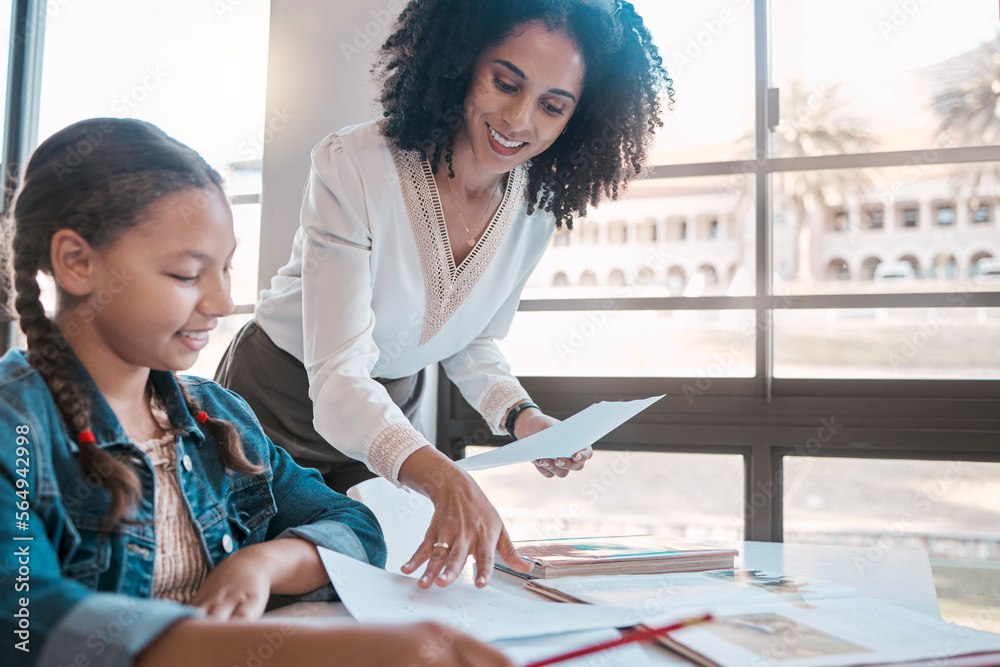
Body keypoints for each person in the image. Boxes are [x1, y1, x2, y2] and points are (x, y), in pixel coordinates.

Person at [0, 118, 513, 667]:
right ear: (76, 263)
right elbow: (28, 622)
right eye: (185, 274)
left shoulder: (217, 417)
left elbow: (356, 527)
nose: (222, 302)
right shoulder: (17, 428)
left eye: (225, 269)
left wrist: (263, 564)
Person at [216, 0, 672, 590]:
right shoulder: (355, 165)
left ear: (577, 119)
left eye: (552, 106)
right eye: (505, 82)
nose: (517, 119)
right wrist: (442, 476)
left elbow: (472, 336)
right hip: (278, 401)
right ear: (460, 62)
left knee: (357, 578)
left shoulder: (534, 208)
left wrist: (523, 417)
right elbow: (338, 380)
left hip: (386, 424)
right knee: (253, 581)